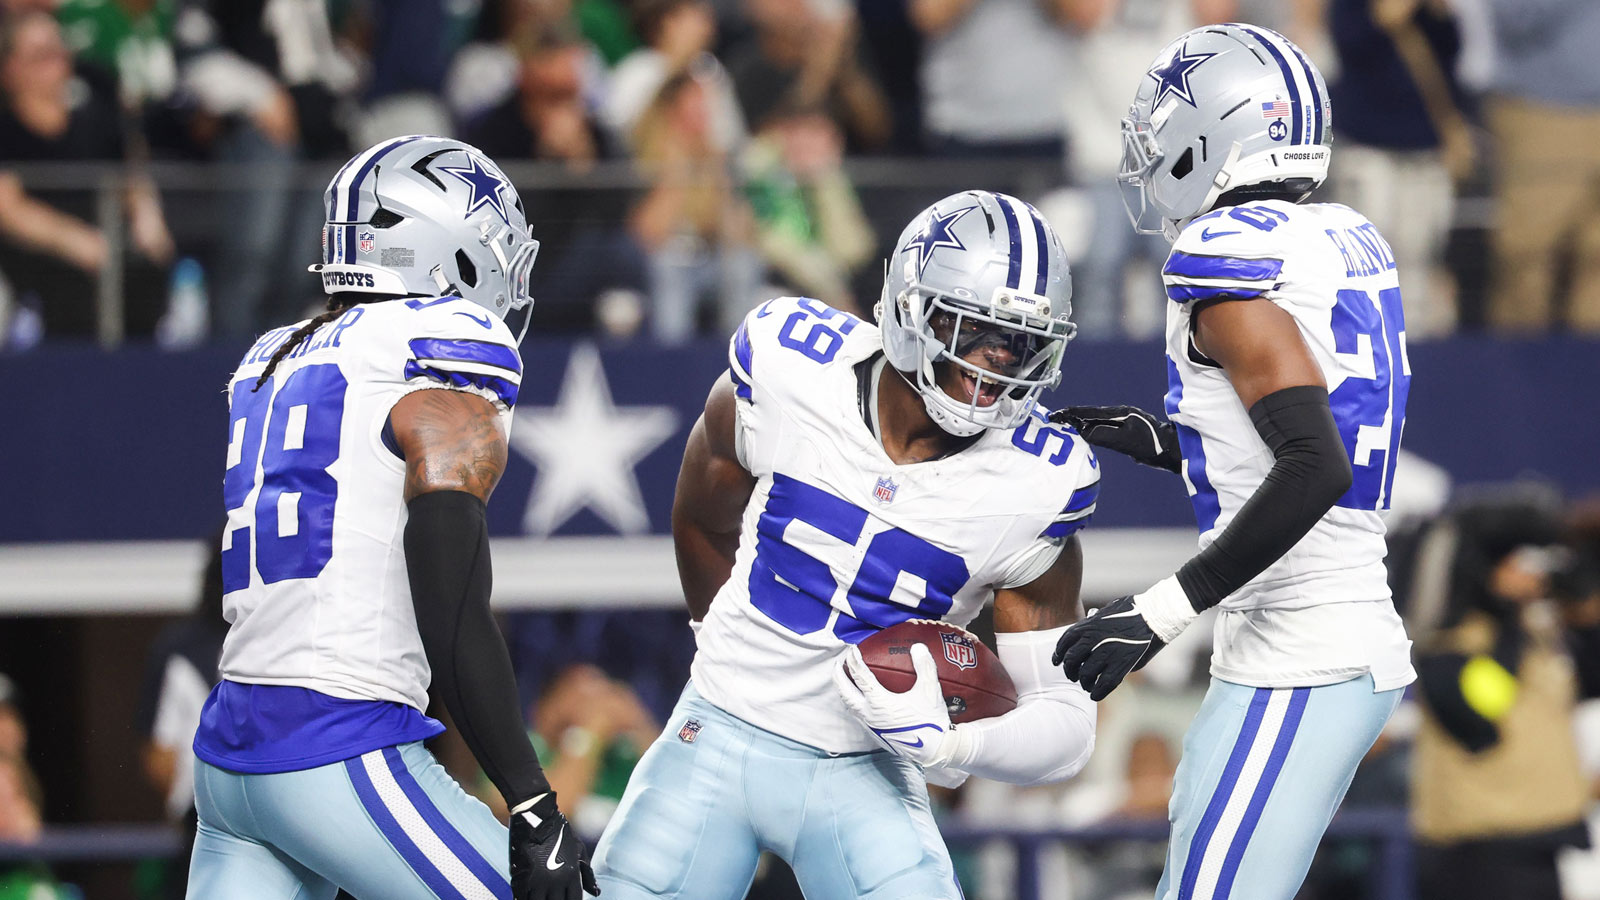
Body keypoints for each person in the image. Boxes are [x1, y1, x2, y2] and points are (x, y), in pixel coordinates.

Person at [593, 190, 1102, 898]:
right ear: (913, 307)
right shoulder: (791, 368)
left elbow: (1068, 725)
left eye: (1021, 343)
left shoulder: (1037, 481)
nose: (997, 363)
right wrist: (725, 649)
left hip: (862, 771)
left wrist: (951, 745)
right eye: (978, 330)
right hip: (716, 730)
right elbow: (702, 518)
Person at [1051, 24, 1416, 900]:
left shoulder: (1223, 258)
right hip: (1313, 636)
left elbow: (1316, 465)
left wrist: (1159, 610)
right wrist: (1165, 441)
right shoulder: (1341, 234)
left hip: (1304, 649)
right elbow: (1304, 439)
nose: (1152, 151)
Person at [186, 135, 596, 900]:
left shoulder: (276, 353)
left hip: (229, 757)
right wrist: (531, 799)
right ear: (443, 247)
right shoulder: (443, 345)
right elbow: (451, 602)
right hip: (337, 744)